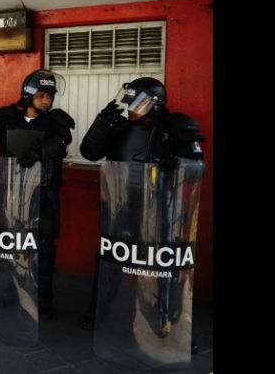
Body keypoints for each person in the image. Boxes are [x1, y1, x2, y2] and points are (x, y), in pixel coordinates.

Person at [78, 77, 205, 354]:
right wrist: (102, 122)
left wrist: (177, 163)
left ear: (155, 104)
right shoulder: (120, 127)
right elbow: (89, 152)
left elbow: (198, 164)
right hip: (121, 204)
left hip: (159, 208)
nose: (132, 108)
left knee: (162, 268)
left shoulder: (175, 126)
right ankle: (100, 311)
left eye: (139, 102)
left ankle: (169, 323)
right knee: (110, 259)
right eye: (130, 102)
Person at [0, 69, 74, 319]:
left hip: (44, 196)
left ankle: (42, 300)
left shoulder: (55, 122)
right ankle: (9, 292)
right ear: (28, 95)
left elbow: (62, 144)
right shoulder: (7, 119)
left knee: (42, 248)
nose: (47, 101)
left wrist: (39, 152)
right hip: (11, 195)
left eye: (50, 96)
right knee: (9, 245)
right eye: (42, 95)